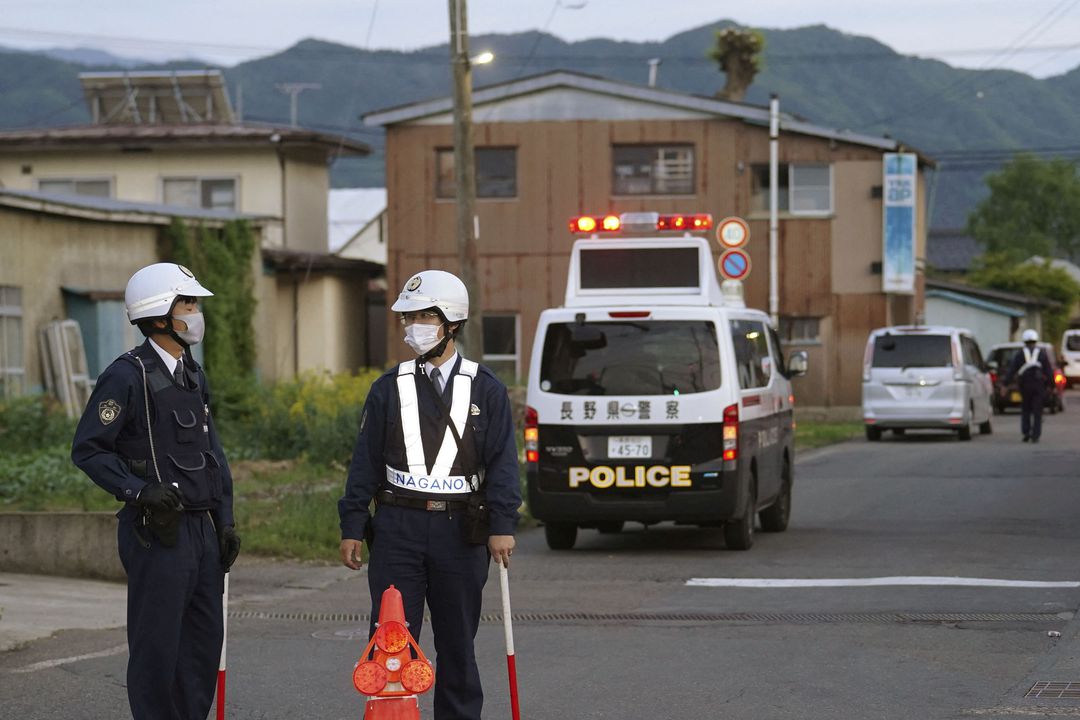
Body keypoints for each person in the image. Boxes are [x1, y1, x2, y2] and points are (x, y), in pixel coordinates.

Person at [338, 269, 521, 720]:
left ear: (451, 323)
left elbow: (502, 462)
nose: (412, 326)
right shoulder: (388, 387)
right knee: (391, 638)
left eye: (424, 316)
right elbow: (364, 462)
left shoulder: (486, 388)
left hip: (461, 531)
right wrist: (352, 525)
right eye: (408, 317)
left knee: (458, 642)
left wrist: (502, 525)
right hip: (398, 527)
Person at [72, 262, 241, 720]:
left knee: (203, 648)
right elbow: (88, 450)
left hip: (202, 532)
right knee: (157, 650)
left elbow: (214, 456)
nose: (196, 312)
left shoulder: (192, 374)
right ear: (159, 315)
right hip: (157, 532)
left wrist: (224, 521)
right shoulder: (126, 376)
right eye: (188, 303)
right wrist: (137, 491)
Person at [1004, 328, 1054, 443]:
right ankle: (1035, 435)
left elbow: (1012, 370)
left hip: (1025, 385)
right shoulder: (1041, 353)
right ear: (1036, 340)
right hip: (1038, 385)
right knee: (1037, 410)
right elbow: (1048, 370)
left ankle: (1026, 432)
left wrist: (1005, 383)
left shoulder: (1020, 354)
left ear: (1024, 341)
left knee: (1026, 409)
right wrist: (1052, 385)